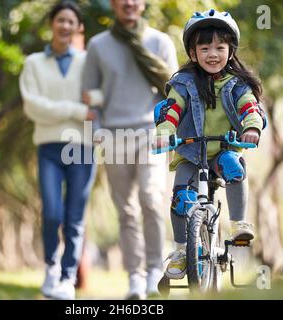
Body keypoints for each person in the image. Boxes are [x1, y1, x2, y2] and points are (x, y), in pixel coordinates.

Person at [154, 9, 267, 280]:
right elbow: (171, 109)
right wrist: (164, 131)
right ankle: (182, 250)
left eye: (219, 47)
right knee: (181, 197)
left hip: (223, 149)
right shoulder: (183, 83)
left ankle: (239, 222)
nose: (212, 54)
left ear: (231, 50)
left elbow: (249, 106)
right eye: (204, 48)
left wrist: (251, 126)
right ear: (193, 53)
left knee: (234, 165)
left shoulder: (237, 84)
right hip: (192, 152)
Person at [82, 0, 178, 299]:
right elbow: (90, 96)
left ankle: (153, 271)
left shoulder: (160, 42)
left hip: (151, 134)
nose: (129, 3)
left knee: (151, 198)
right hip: (113, 136)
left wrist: (169, 130)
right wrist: (95, 131)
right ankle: (135, 277)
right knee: (125, 211)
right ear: (113, 4)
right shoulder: (97, 46)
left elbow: (176, 91)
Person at [19, 1, 103, 300]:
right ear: (51, 23)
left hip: (82, 147)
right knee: (53, 212)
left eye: (71, 21)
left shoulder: (88, 62)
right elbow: (33, 107)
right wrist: (77, 110)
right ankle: (51, 267)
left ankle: (68, 278)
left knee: (74, 217)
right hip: (49, 147)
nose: (65, 26)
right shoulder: (33, 64)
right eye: (60, 20)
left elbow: (101, 98)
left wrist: (90, 105)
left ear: (78, 27)